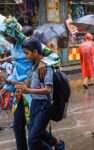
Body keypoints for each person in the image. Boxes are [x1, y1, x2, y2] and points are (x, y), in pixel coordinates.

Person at [0, 16, 62, 150]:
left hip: (32, 92)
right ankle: (54, 143)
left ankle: (55, 143)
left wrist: (42, 62)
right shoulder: (14, 47)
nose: (6, 38)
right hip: (19, 90)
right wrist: (6, 85)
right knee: (17, 127)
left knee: (32, 129)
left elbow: (54, 56)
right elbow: (16, 71)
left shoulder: (30, 43)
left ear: (13, 32)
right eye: (3, 35)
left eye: (7, 35)